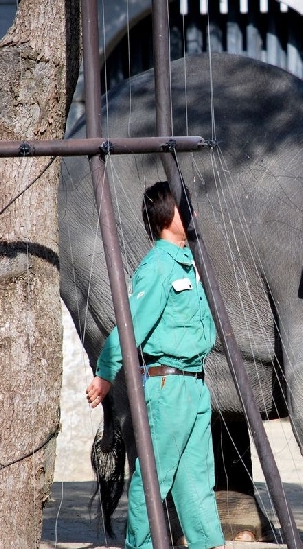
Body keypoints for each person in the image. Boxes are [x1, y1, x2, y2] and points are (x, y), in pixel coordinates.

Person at [85, 181, 225, 549]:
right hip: (167, 385)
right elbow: (129, 327)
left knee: (197, 479)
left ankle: (207, 543)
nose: (193, 212)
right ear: (167, 215)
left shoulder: (187, 262)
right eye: (185, 206)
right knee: (154, 478)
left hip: (194, 385)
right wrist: (104, 374)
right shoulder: (158, 267)